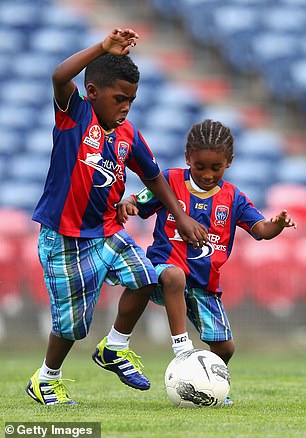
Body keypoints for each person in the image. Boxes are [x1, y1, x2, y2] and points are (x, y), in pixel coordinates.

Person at [26, 28, 208, 405]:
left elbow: (155, 177)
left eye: (132, 100)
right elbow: (60, 75)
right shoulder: (75, 114)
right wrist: (101, 49)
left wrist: (182, 217)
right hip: (64, 237)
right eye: (120, 98)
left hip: (106, 231)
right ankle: (46, 378)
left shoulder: (128, 133)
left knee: (145, 277)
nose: (126, 106)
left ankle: (114, 347)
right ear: (93, 93)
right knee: (72, 327)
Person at [117, 119, 297, 403]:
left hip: (204, 285)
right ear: (188, 157)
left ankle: (208, 386)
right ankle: (182, 348)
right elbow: (138, 202)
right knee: (175, 276)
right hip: (164, 272)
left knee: (225, 348)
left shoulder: (233, 198)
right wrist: (129, 203)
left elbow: (260, 231)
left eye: (216, 168)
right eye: (200, 166)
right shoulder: (170, 182)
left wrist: (277, 224)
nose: (208, 174)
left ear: (229, 162)